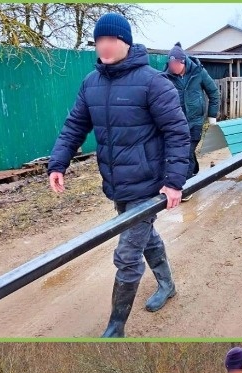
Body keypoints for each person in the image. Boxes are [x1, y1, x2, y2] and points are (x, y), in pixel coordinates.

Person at [48, 12, 191, 337]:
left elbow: (177, 132)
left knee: (126, 255)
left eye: (113, 40)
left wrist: (173, 182)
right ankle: (167, 285)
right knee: (146, 239)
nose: (106, 46)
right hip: (118, 186)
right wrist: (58, 163)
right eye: (100, 40)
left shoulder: (153, 82)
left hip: (148, 187)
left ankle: (115, 329)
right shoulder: (91, 84)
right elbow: (74, 126)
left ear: (126, 42)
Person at [163, 42, 220, 182]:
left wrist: (212, 116)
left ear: (183, 62)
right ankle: (193, 171)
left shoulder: (198, 72)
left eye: (176, 64)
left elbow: (213, 92)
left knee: (186, 152)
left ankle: (186, 185)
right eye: (171, 65)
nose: (173, 68)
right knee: (184, 152)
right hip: (177, 123)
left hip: (195, 122)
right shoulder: (165, 77)